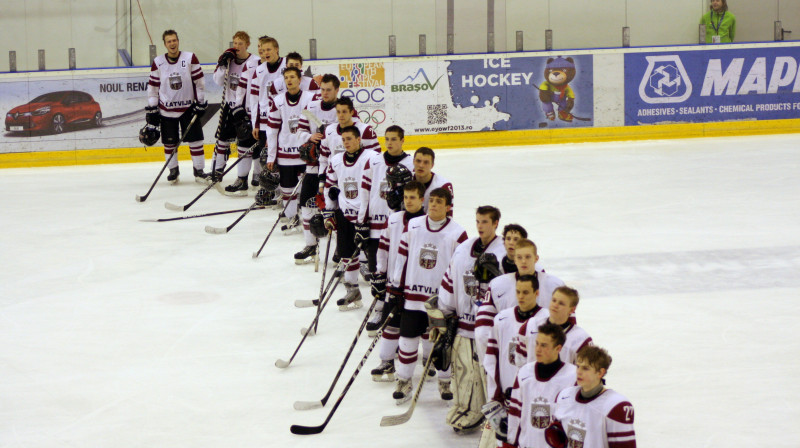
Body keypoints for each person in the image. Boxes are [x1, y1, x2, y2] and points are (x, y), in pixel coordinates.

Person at [389, 188, 467, 404]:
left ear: (448, 207)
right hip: (413, 297)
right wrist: (396, 286)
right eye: (431, 201)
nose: (433, 205)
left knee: (441, 344)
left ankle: (444, 381)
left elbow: (460, 270)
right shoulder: (414, 225)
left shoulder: (457, 233)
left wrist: (455, 301)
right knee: (407, 341)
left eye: (438, 201)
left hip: (440, 301)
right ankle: (404, 380)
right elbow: (402, 255)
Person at [481, 274, 550, 446]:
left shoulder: (547, 322)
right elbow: (492, 360)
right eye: (518, 292)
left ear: (537, 293)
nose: (521, 296)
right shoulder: (501, 319)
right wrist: (494, 395)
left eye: (526, 292)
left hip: (534, 399)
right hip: (507, 399)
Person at [369, 181, 427, 381]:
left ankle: (428, 361)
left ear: (421, 199)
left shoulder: (427, 224)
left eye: (413, 197)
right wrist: (379, 273)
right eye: (406, 197)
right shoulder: (393, 220)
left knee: (424, 328)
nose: (408, 201)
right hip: (394, 284)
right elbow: (383, 248)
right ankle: (387, 362)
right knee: (390, 324)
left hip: (417, 287)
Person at [358, 125, 414, 327]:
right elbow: (364, 192)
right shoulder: (373, 161)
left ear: (402, 140)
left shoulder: (411, 164)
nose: (389, 143)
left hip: (398, 229)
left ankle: (399, 309)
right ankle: (380, 308)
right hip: (375, 227)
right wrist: (361, 222)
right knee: (377, 271)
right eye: (387, 139)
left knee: (398, 270)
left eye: (394, 139)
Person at [475, 239, 564, 361]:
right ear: (514, 260)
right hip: (507, 355)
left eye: (528, 257)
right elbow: (482, 329)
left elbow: (567, 325)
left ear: (536, 258)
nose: (523, 261)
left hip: (545, 355)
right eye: (519, 257)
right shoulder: (497, 285)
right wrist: (489, 362)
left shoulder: (555, 285)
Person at [146, 29, 208, 184]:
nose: (172, 43)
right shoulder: (158, 62)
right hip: (167, 111)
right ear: (165, 44)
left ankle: (199, 171)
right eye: (169, 41)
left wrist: (200, 102)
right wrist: (153, 108)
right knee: (169, 142)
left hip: (188, 109)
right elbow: (153, 88)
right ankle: (173, 170)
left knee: (196, 141)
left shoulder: (189, 58)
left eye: (174, 40)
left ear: (178, 41)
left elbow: (199, 83)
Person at [292, 73, 342, 263]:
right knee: (306, 205)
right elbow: (300, 131)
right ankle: (310, 245)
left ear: (337, 90)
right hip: (314, 167)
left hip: (337, 169)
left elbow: (354, 133)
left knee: (336, 209)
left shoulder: (344, 109)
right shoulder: (311, 106)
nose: (325, 93)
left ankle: (339, 248)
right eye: (322, 89)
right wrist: (310, 138)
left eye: (329, 90)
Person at [322, 126, 373, 310]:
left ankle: (382, 300)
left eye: (350, 139)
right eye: (344, 139)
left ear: (359, 139)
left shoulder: (371, 158)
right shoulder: (335, 160)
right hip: (344, 214)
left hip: (366, 216)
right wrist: (329, 209)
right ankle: (353, 290)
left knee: (376, 258)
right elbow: (330, 185)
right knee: (346, 255)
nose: (346, 142)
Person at [503, 323, 577, 448]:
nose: (537, 349)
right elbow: (515, 413)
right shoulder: (524, 373)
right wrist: (510, 443)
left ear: (558, 348)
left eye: (544, 345)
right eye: (537, 343)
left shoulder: (573, 376)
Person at [262, 67, 317, 233]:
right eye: (286, 77)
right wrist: (272, 156)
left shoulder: (310, 98)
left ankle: (309, 219)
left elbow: (315, 124)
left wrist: (314, 145)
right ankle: (292, 217)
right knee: (287, 189)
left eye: (292, 77)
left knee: (307, 189)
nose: (289, 80)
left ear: (300, 79)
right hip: (285, 154)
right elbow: (272, 130)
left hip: (305, 153)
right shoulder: (278, 101)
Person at [547, 346, 636, 448]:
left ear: (600, 372)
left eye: (585, 368)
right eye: (578, 366)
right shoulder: (564, 396)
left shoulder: (615, 406)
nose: (578, 372)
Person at [210, 31, 260, 193]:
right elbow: (218, 82)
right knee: (222, 139)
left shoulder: (255, 62)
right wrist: (222, 64)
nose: (237, 46)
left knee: (250, 143)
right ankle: (217, 171)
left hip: (247, 110)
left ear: (247, 45)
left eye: (240, 43)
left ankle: (256, 174)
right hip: (230, 107)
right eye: (235, 43)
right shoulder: (229, 60)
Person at [518, 286, 592, 366]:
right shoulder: (530, 325)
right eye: (554, 300)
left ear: (572, 310)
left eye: (561, 303)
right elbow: (517, 358)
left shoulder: (582, 339)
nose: (555, 305)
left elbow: (586, 370)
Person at [318, 97, 381, 187]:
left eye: (344, 112)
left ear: (351, 112)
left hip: (359, 181)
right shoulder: (329, 131)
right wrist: (322, 182)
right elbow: (323, 158)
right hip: (335, 181)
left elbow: (376, 159)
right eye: (338, 112)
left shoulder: (365, 130)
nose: (341, 115)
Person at [411, 147, 454, 213]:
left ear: (432, 165)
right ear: (413, 162)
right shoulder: (404, 179)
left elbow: (448, 216)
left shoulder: (443, 185)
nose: (421, 165)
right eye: (418, 161)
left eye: (426, 162)